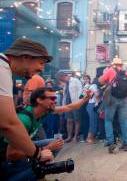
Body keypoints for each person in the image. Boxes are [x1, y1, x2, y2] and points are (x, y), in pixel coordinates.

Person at [1, 87, 92, 180]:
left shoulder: (44, 111)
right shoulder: (24, 119)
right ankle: (33, 172)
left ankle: (37, 170)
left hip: (19, 149)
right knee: (47, 151)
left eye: (55, 98)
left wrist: (85, 99)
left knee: (56, 143)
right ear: (39, 100)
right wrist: (45, 149)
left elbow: (69, 107)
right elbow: (11, 154)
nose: (55, 101)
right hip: (5, 159)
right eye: (52, 98)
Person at [0, 38, 53, 178]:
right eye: (41, 63)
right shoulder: (1, 68)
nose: (42, 69)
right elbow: (8, 123)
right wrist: (37, 153)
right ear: (25, 57)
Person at [99, 57, 127, 153]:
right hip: (124, 99)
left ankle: (111, 143)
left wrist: (107, 80)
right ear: (121, 65)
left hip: (112, 99)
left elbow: (100, 81)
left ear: (113, 64)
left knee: (108, 120)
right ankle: (125, 144)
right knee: (124, 121)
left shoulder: (110, 70)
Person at [57, 71, 83, 142]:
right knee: (69, 120)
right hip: (68, 105)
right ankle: (69, 136)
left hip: (75, 103)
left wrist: (78, 102)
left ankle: (75, 136)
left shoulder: (75, 80)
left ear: (63, 76)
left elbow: (80, 91)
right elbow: (65, 95)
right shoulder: (65, 84)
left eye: (61, 79)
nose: (61, 81)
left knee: (77, 120)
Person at [82, 75, 99, 144]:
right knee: (93, 122)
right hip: (92, 105)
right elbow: (97, 94)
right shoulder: (94, 85)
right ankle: (89, 138)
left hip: (90, 105)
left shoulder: (91, 86)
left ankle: (91, 137)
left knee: (93, 122)